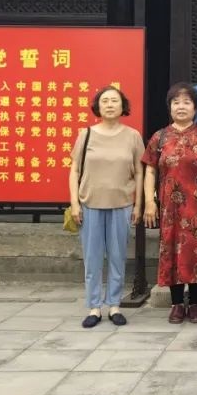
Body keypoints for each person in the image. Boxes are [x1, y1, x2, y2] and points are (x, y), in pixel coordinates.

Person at [143, 83, 197, 324]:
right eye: (176, 102)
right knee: (172, 252)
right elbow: (150, 171)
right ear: (169, 107)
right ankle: (177, 303)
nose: (181, 107)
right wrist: (149, 201)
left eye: (186, 102)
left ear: (195, 108)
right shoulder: (160, 137)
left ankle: (196, 303)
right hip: (171, 208)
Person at [69, 86, 145, 328]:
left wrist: (138, 205)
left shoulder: (132, 136)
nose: (110, 105)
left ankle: (114, 305)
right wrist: (74, 203)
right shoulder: (86, 134)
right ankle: (94, 307)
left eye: (114, 101)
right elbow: (74, 170)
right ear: (97, 107)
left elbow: (140, 172)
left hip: (121, 204)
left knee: (117, 257)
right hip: (90, 204)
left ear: (123, 106)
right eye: (105, 101)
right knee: (92, 259)